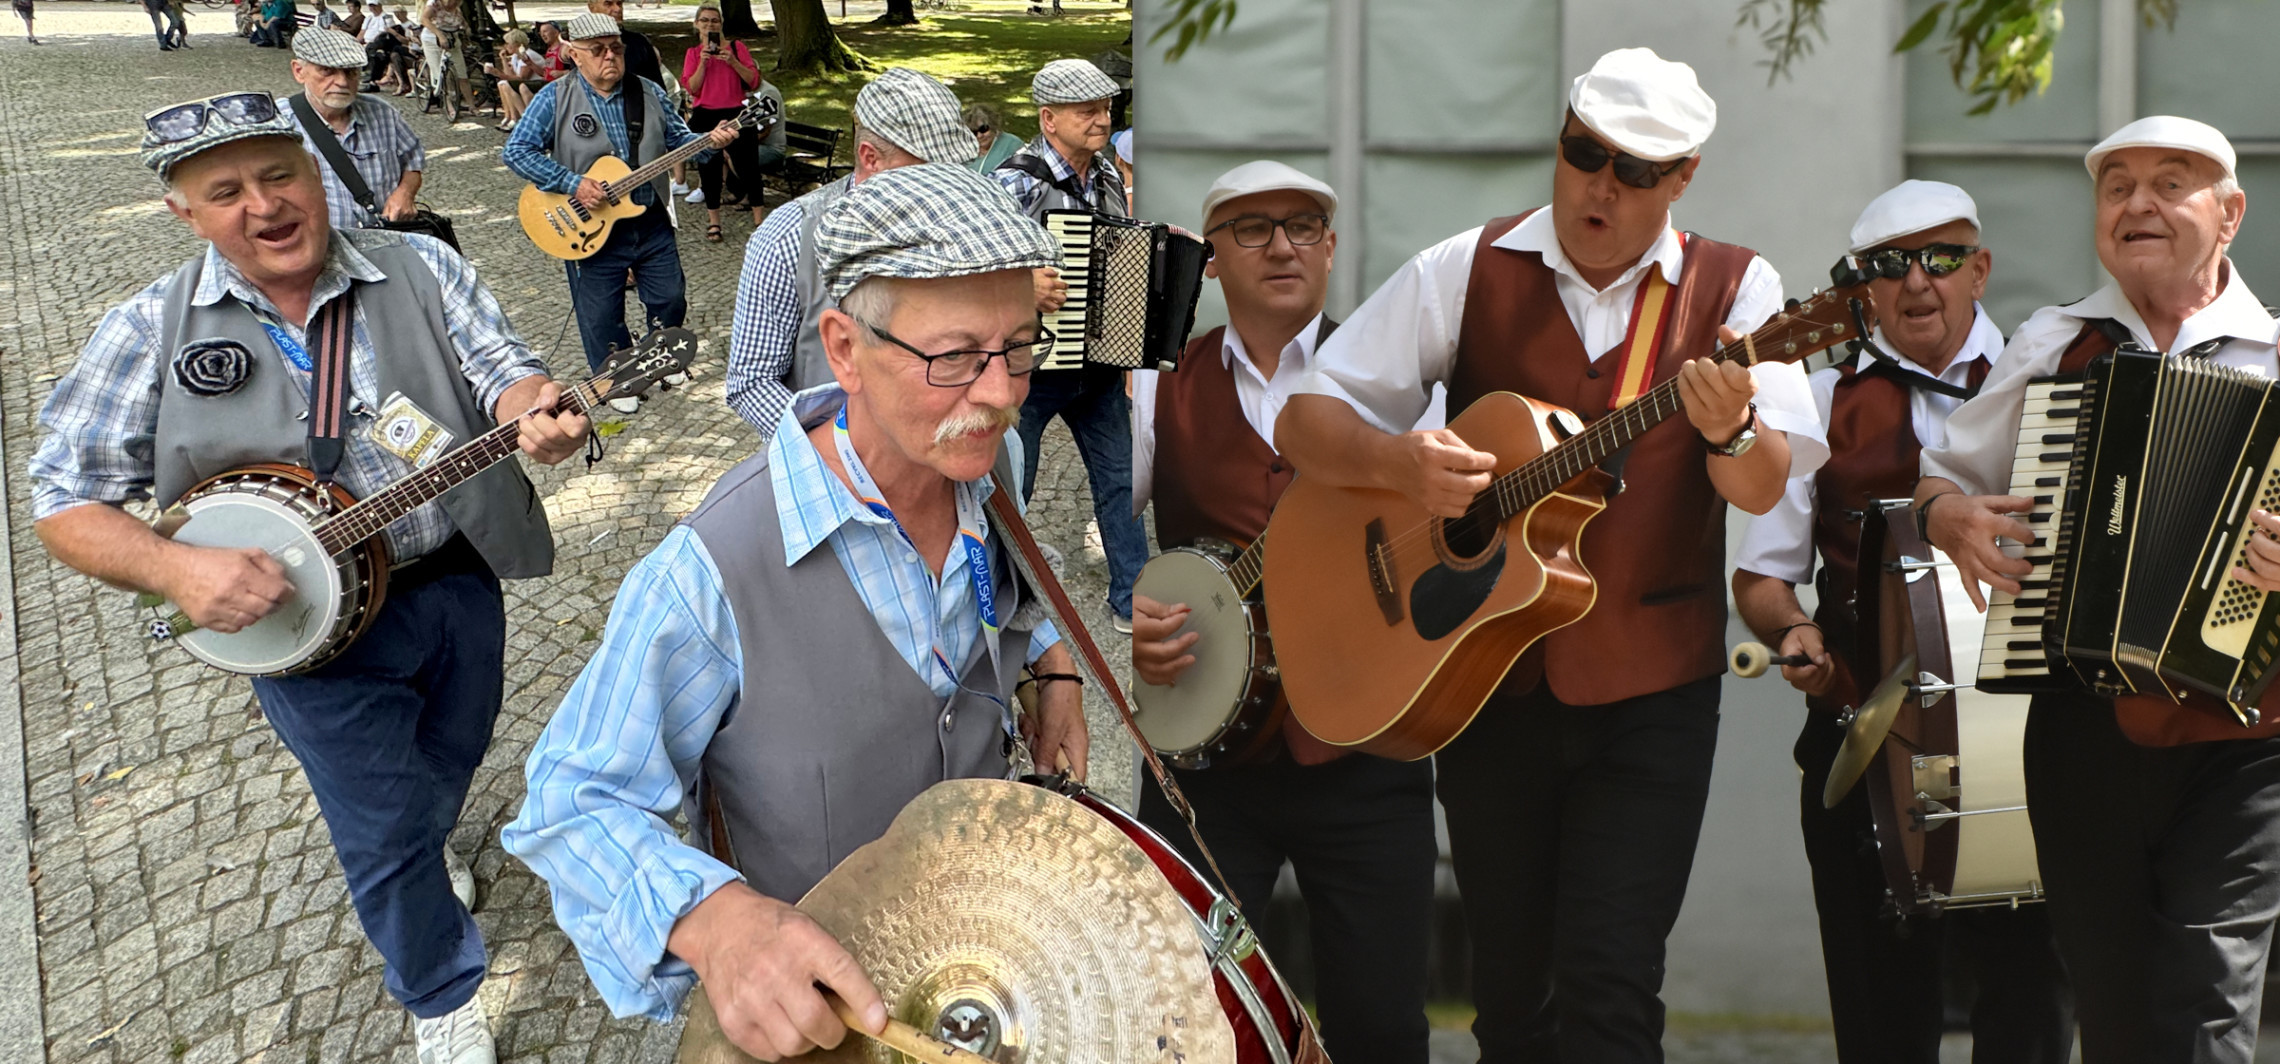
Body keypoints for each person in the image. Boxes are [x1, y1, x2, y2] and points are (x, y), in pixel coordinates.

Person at [1273, 48, 1825, 1063]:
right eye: (1583, 154)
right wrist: (1399, 463)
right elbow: (1301, 421)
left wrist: (1731, 431)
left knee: (1612, 984)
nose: (1600, 187)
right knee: (1512, 1002)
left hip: (1653, 688)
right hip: (1487, 683)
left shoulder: (1741, 290)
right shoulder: (1467, 266)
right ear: (1560, 140)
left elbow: (1760, 483)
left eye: (1635, 170)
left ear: (1685, 177)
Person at [29, 92, 590, 1064]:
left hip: (453, 580)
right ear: (185, 213)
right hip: (304, 640)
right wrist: (176, 567)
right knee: (379, 822)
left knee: (449, 755)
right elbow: (63, 502)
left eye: (280, 174)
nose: (264, 205)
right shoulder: (146, 332)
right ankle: (439, 985)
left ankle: (426, 839)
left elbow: (506, 369)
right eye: (226, 190)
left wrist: (537, 405)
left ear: (313, 174)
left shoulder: (422, 267)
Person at [502, 164, 1086, 1060]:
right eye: (957, 356)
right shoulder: (711, 570)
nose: (1003, 392)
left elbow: (999, 597)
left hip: (979, 958)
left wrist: (1052, 664)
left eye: (1020, 347)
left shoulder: (982, 469)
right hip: (831, 1017)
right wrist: (717, 922)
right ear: (844, 348)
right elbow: (571, 800)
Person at [1915, 116, 2280, 1064]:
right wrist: (1947, 519)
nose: (2137, 204)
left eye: (2170, 183)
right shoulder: (2053, 345)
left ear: (2229, 214)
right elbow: (1941, 479)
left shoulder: (2275, 359)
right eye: (2117, 187)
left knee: (2208, 1005)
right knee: (2112, 1012)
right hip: (2080, 725)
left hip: (2246, 742)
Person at [1730, 180, 2075, 1063]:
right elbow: (1762, 577)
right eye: (1891, 264)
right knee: (1882, 1022)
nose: (1918, 280)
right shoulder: (1812, 398)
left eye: (1942, 257)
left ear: (1981, 269)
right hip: (1866, 739)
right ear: (1865, 290)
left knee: (2030, 1014)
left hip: (2032, 742)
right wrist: (1790, 634)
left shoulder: (2055, 382)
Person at [1128, 160, 1436, 1063]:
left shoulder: (1399, 388)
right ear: (1213, 259)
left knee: (1382, 1027)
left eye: (1303, 226)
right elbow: (1091, 546)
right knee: (1183, 1023)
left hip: (1367, 755)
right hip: (1204, 763)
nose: (1283, 245)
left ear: (1332, 247)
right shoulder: (1158, 384)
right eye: (1253, 228)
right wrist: (1128, 623)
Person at [504, 13, 734, 412]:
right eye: (598, 50)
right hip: (589, 225)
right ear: (575, 55)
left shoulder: (647, 91)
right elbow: (517, 152)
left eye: (616, 48)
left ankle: (662, 354)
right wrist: (572, 183)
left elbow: (680, 140)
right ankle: (615, 377)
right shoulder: (554, 97)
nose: (610, 56)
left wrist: (710, 142)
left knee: (670, 296)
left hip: (648, 215)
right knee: (601, 312)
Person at [725, 67, 976, 433]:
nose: (944, 187)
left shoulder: (961, 222)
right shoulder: (789, 234)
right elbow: (752, 382)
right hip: (833, 464)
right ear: (870, 158)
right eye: (927, 169)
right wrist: (843, 450)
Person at [993, 57, 1144, 632]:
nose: (1102, 119)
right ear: (1048, 118)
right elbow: (971, 272)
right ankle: (1005, 601)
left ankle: (1132, 597)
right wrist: (1020, 284)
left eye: (1106, 108)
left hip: (1097, 363)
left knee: (1123, 479)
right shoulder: (1014, 182)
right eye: (1088, 110)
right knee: (1014, 483)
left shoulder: (1107, 177)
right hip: (1031, 369)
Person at [281, 28, 427, 231]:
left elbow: (414, 160)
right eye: (327, 70)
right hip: (320, 248)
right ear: (299, 71)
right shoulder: (278, 125)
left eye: (351, 72)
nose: (342, 82)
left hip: (385, 242)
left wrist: (405, 193)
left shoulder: (383, 113)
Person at [681, 2, 777, 241]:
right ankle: (714, 222)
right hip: (706, 114)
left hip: (737, 112)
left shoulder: (737, 47)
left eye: (714, 20)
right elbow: (692, 88)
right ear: (697, 25)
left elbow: (753, 82)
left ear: (721, 25)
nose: (709, 24)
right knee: (709, 169)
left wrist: (732, 61)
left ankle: (758, 219)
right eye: (704, 20)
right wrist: (703, 62)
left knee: (749, 166)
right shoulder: (693, 53)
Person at [585, 0, 662, 97]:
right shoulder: (581, 46)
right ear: (592, 8)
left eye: (619, 3)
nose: (617, 9)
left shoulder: (640, 43)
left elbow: (659, 91)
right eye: (608, 4)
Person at [419, 0, 473, 119]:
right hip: (432, 39)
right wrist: (439, 35)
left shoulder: (457, 7)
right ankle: (449, 106)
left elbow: (462, 22)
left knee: (461, 73)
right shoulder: (434, 4)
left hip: (452, 40)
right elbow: (424, 19)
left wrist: (467, 30)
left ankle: (472, 106)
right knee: (440, 74)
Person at [483, 28, 545, 131]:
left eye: (508, 43)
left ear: (517, 44)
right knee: (502, 84)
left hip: (535, 83)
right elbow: (509, 75)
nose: (506, 46)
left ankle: (520, 118)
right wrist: (503, 60)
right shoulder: (516, 56)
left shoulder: (528, 55)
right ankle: (510, 116)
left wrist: (497, 73)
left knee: (507, 85)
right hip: (525, 84)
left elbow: (521, 78)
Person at [962, 103, 1019, 174]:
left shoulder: (1011, 144)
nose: (979, 136)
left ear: (993, 125)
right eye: (974, 132)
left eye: (983, 129)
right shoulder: (963, 149)